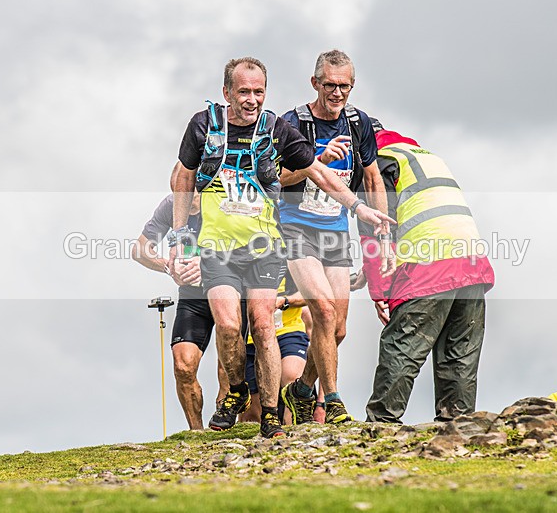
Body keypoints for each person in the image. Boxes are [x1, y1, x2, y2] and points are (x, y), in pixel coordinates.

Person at [168, 57, 394, 438]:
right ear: (227, 93)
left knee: (290, 326)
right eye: (244, 92)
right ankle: (248, 392)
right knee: (230, 324)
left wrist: (359, 209)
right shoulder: (205, 126)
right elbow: (183, 177)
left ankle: (281, 405)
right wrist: (178, 237)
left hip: (273, 243)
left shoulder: (278, 128)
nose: (252, 100)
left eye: (258, 92)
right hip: (229, 245)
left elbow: (321, 172)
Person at [279, 50, 394, 425]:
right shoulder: (292, 123)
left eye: (345, 86)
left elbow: (373, 177)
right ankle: (333, 401)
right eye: (330, 85)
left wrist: (382, 228)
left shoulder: (358, 122)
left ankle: (300, 389)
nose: (338, 93)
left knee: (338, 329)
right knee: (323, 312)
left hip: (335, 229)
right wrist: (317, 163)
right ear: (315, 83)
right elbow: (276, 179)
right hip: (296, 225)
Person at [363, 124, 495, 423]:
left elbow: (377, 231)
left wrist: (381, 292)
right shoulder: (421, 155)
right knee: (458, 355)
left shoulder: (377, 163)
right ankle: (458, 430)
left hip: (429, 263)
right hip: (471, 263)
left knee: (401, 345)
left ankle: (379, 428)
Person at [132, 193, 237, 430]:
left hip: (229, 290)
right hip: (193, 295)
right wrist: (168, 267)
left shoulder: (222, 199)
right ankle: (196, 433)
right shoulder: (170, 204)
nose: (186, 198)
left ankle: (224, 429)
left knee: (227, 369)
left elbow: (253, 246)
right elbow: (139, 250)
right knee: (183, 365)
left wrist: (210, 266)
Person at [241, 272, 309, 425]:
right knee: (252, 409)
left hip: (288, 330)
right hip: (252, 338)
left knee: (291, 378)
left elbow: (311, 292)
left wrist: (285, 301)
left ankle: (294, 438)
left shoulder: (291, 255)